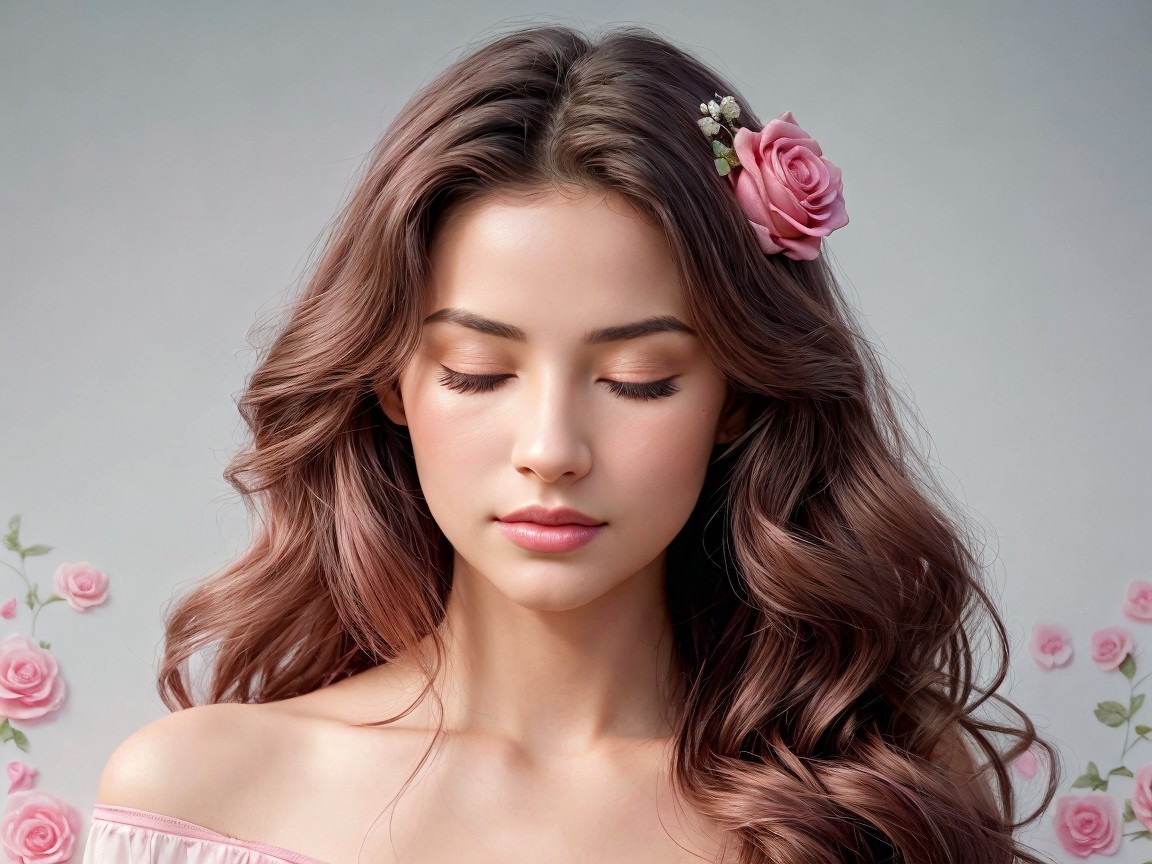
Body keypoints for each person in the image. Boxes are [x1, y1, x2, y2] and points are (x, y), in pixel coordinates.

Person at [84, 22, 1058, 864]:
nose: (551, 448)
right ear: (390, 381)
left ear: (736, 398)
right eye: (476, 370)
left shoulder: (876, 794)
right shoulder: (203, 796)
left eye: (639, 380)